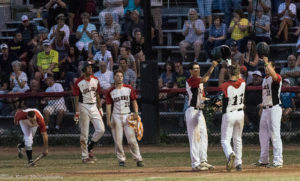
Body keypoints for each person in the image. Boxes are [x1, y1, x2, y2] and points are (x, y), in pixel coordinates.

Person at [106, 70, 144, 167]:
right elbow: (108, 106)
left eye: (121, 76)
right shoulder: (110, 91)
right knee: (118, 140)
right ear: (114, 78)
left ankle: (138, 159)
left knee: (131, 140)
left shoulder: (129, 88)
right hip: (116, 116)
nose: (119, 78)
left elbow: (134, 101)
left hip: (127, 116)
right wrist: (108, 119)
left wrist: (136, 112)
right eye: (117, 76)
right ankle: (121, 160)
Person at [185, 61, 218, 171]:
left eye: (198, 68)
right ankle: (195, 164)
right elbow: (205, 79)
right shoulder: (191, 80)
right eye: (195, 69)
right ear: (190, 71)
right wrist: (212, 66)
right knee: (195, 138)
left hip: (200, 111)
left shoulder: (199, 82)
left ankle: (203, 161)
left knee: (204, 136)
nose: (197, 70)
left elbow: (202, 98)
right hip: (192, 111)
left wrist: (212, 101)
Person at [72, 61, 105, 164]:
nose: (90, 69)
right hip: (83, 106)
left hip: (94, 105)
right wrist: (77, 112)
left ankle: (90, 146)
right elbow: (76, 98)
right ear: (84, 69)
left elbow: (98, 95)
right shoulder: (78, 82)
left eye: (91, 67)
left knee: (101, 130)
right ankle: (84, 157)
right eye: (88, 67)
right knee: (84, 133)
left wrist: (100, 108)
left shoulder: (95, 80)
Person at [255, 56, 283, 168]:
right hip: (266, 109)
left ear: (274, 67)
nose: (266, 68)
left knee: (275, 135)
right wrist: (262, 107)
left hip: (274, 109)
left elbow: (275, 77)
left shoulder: (276, 77)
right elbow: (266, 96)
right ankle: (264, 160)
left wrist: (266, 62)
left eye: (269, 66)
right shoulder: (265, 79)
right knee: (263, 136)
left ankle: (278, 161)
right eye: (265, 66)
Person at [219, 64, 246, 172]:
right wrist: (231, 68)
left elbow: (220, 84)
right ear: (238, 73)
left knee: (225, 140)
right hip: (240, 113)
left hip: (229, 113)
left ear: (229, 73)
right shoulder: (243, 83)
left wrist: (223, 71)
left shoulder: (226, 85)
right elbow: (238, 77)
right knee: (238, 139)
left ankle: (230, 153)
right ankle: (238, 163)